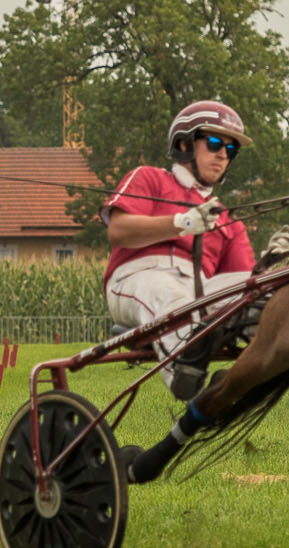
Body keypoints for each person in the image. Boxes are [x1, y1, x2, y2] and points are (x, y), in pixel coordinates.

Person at [102, 100, 257, 400]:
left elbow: (244, 282)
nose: (223, 155)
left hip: (196, 289)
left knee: (261, 291)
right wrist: (182, 223)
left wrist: (273, 267)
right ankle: (185, 371)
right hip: (137, 277)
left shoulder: (226, 219)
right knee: (170, 295)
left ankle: (256, 368)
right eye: (214, 143)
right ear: (185, 143)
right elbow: (118, 231)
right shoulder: (149, 178)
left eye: (231, 150)